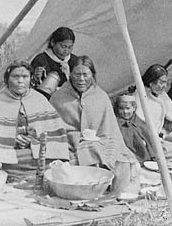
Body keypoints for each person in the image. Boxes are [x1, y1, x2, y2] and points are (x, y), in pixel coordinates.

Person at [50, 56, 138, 194]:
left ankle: (109, 190)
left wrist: (99, 142)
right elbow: (53, 129)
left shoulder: (101, 96)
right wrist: (75, 138)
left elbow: (110, 130)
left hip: (101, 142)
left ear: (92, 75)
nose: (81, 79)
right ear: (70, 74)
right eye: (77, 74)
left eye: (86, 75)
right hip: (68, 145)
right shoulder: (58, 97)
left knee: (122, 159)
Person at [0, 61, 70, 179]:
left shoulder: (39, 100)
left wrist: (33, 141)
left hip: (33, 151)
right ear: (7, 79)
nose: (20, 81)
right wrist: (12, 138)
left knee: (49, 157)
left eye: (25, 77)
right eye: (15, 77)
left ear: (31, 79)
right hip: (9, 150)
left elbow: (52, 131)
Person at [30, 27, 78, 98]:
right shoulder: (41, 59)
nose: (66, 51)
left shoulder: (74, 60)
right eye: (63, 46)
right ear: (53, 42)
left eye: (70, 47)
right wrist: (36, 77)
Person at [114, 94, 153, 163]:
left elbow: (148, 134)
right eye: (121, 109)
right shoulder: (116, 122)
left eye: (128, 108)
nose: (125, 112)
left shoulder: (138, 120)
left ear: (134, 108)